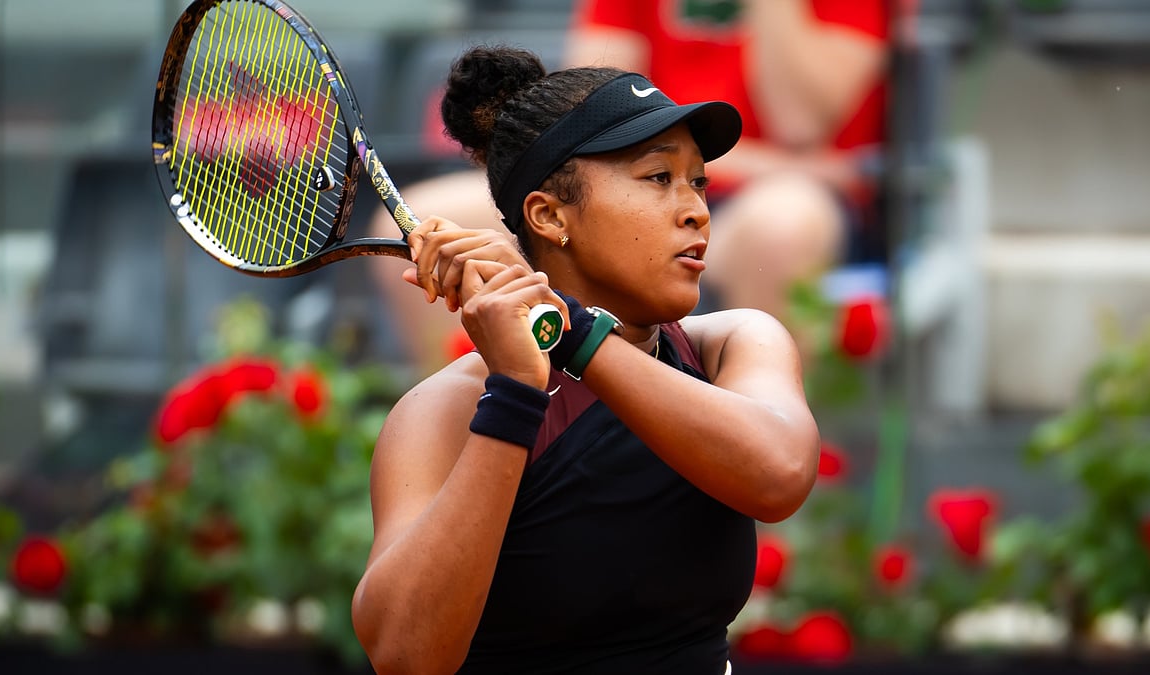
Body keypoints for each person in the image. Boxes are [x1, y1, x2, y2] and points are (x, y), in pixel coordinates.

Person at [351, 45, 820, 673]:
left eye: (699, 182)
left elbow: (778, 474)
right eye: (660, 178)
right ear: (549, 216)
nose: (698, 209)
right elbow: (406, 655)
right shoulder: (447, 409)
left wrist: (568, 331)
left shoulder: (731, 344)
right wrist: (516, 391)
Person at [369, 0, 890, 370]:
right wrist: (765, 164)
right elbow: (589, 120)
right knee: (435, 221)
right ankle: (489, 424)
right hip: (656, 178)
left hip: (781, 208)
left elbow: (799, 121)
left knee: (782, 225)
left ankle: (757, 474)